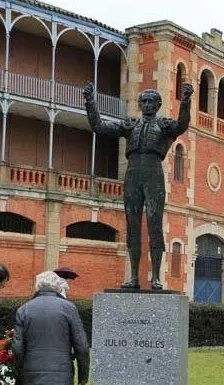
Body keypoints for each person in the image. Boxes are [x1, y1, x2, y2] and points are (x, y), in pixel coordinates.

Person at [83, 81, 192, 289]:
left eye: (152, 101)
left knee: (154, 225)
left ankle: (156, 277)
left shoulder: (164, 125)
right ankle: (133, 277)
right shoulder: (130, 125)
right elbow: (99, 126)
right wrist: (90, 102)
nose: (148, 104)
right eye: (145, 101)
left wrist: (185, 101)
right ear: (140, 104)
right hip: (132, 173)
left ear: (158, 105)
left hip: (153, 173)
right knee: (132, 225)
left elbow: (182, 125)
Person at [12, 271, 90, 385]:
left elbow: (17, 347)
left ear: (37, 287)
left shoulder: (24, 309)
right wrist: (83, 374)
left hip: (32, 373)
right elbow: (82, 346)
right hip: (59, 373)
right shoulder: (68, 308)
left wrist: (21, 370)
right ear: (58, 287)